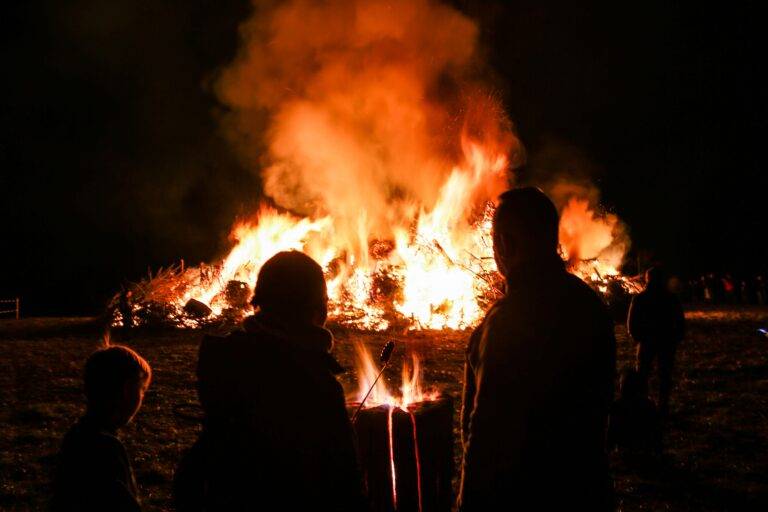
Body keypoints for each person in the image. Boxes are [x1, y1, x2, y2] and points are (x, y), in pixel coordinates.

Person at [459, 188, 617, 511]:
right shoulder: (590, 307)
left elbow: (485, 439)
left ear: (505, 244)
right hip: (585, 491)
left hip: (522, 497)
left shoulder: (505, 323)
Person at [174, 250, 365, 511]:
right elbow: (344, 478)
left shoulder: (226, 358)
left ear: (259, 301)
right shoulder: (315, 382)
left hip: (222, 493)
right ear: (317, 308)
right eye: (324, 300)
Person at [51, 345, 152, 511]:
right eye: (142, 390)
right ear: (127, 390)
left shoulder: (75, 437)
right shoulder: (107, 448)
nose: (142, 397)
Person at [627, 265, 685, 418]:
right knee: (664, 374)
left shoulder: (640, 298)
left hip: (647, 341)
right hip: (667, 340)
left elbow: (631, 322)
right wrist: (677, 336)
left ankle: (643, 404)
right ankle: (662, 405)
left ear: (648, 279)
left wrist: (637, 336)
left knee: (643, 373)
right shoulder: (671, 298)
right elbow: (680, 320)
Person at [607, 368, 661, 463]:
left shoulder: (617, 406)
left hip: (625, 451)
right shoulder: (649, 405)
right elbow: (656, 433)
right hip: (644, 451)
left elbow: (611, 433)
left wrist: (609, 450)